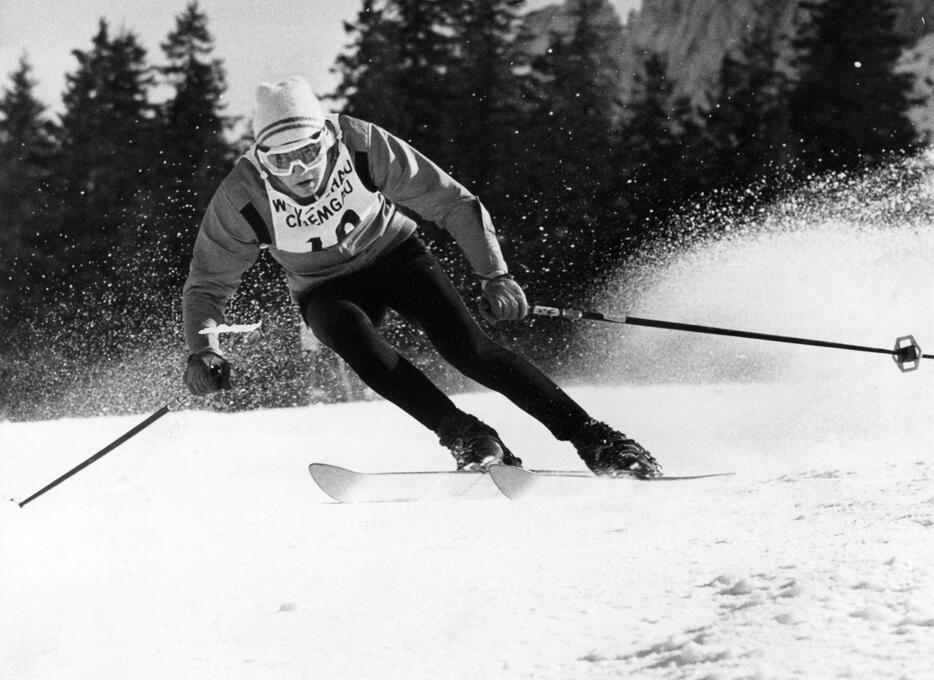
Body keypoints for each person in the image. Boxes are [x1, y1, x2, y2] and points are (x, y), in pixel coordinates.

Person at [181, 76, 661, 478]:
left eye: (308, 152)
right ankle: (469, 437)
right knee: (358, 345)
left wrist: (493, 274)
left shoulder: (362, 144)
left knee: (469, 349)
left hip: (394, 255)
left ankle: (597, 439)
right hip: (323, 287)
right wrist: (204, 349)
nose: (300, 170)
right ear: (262, 160)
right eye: (281, 161)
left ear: (327, 137)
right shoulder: (241, 198)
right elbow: (206, 286)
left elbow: (453, 202)